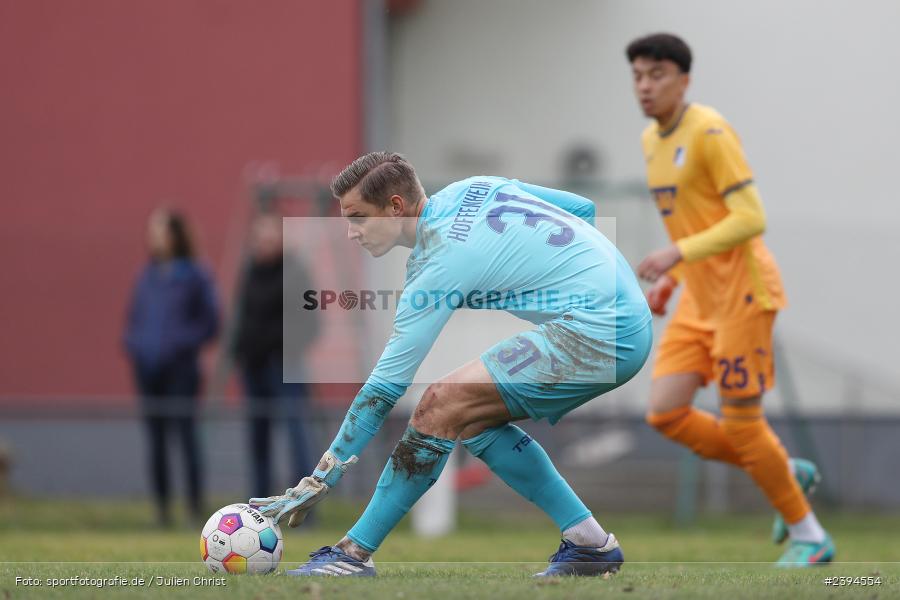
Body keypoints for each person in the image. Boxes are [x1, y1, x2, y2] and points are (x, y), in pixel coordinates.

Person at [251, 152, 653, 577]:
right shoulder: (473, 188)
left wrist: (321, 477)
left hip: (598, 330)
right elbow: (582, 210)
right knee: (473, 420)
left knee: (439, 405)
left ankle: (351, 556)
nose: (351, 232)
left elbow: (384, 389)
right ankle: (589, 545)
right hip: (626, 317)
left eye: (357, 217)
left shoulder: (438, 264)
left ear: (395, 206)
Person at [625, 33, 833, 566]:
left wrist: (675, 255)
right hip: (699, 295)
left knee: (742, 421)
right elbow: (695, 218)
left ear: (684, 80)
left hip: (743, 291)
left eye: (658, 74)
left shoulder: (710, 132)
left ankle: (810, 537)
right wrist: (676, 278)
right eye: (638, 76)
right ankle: (785, 471)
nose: (646, 86)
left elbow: (750, 218)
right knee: (666, 414)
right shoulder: (652, 140)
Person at [124, 208, 219, 525]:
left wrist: (178, 343)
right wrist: (136, 345)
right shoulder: (148, 275)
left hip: (181, 371)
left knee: (186, 438)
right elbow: (135, 317)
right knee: (156, 442)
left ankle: (194, 508)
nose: (154, 237)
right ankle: (162, 511)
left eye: (160, 230)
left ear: (176, 235)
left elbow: (211, 322)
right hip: (148, 370)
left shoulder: (195, 274)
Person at [233, 214, 318, 499]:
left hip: (285, 364)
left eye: (270, 238)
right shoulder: (250, 272)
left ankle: (303, 502)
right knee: (258, 437)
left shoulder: (295, 272)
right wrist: (241, 350)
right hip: (254, 365)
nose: (264, 245)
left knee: (297, 434)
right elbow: (242, 317)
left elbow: (311, 322)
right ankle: (257, 502)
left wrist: (283, 345)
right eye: (259, 238)